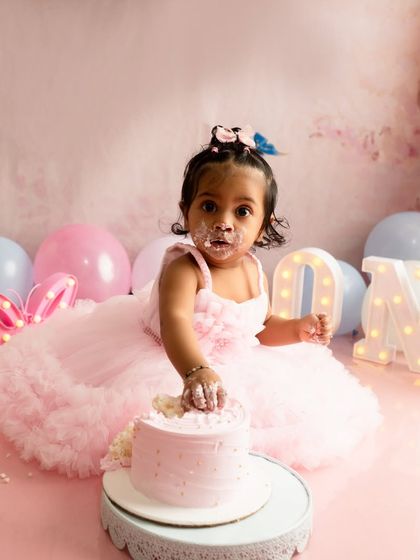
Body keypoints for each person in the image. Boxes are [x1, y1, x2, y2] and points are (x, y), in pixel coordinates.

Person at [0, 125, 381, 478]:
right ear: (187, 211)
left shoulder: (253, 269)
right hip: (172, 358)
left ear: (263, 225)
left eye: (242, 211)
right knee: (154, 429)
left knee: (252, 428)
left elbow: (262, 327)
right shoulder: (186, 268)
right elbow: (175, 324)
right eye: (209, 206)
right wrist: (195, 370)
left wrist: (297, 329)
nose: (223, 222)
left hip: (232, 365)